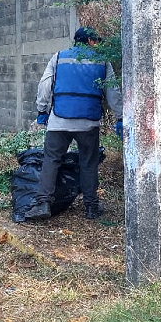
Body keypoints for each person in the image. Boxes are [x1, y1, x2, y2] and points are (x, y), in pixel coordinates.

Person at [25, 27, 123, 221]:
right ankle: (91, 207)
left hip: (59, 119)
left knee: (51, 159)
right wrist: (120, 117)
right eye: (95, 40)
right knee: (88, 162)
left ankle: (43, 203)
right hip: (88, 122)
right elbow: (113, 92)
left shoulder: (59, 57)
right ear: (88, 41)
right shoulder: (102, 61)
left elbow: (45, 85)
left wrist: (42, 111)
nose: (97, 44)